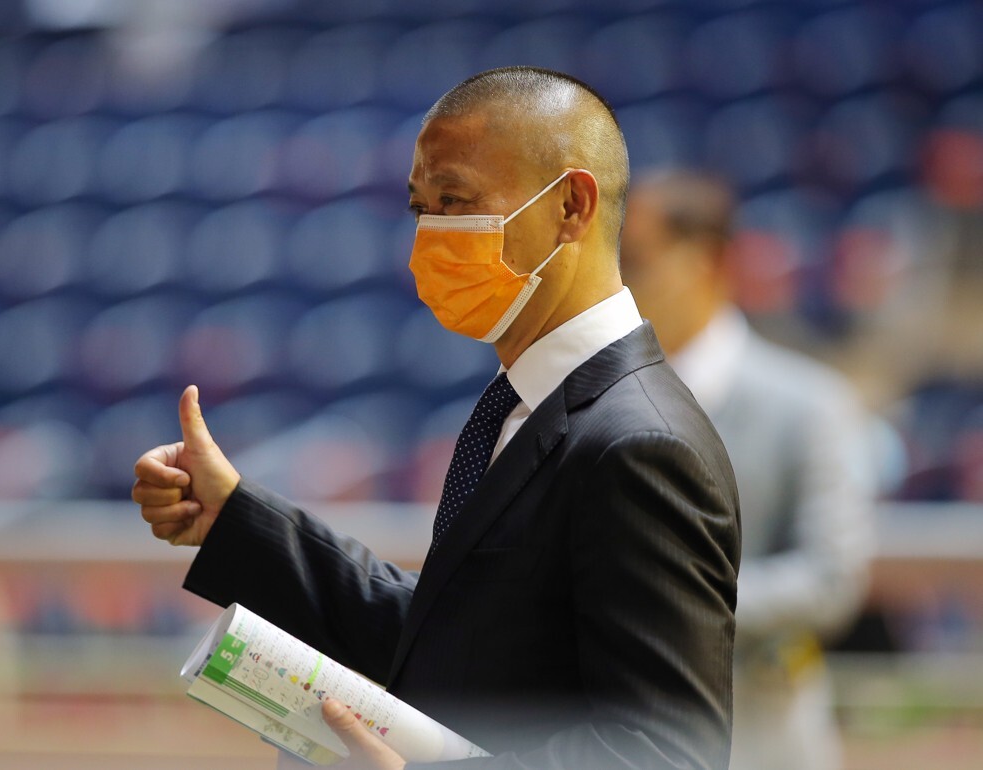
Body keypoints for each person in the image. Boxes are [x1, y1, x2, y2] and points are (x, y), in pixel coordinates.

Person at [133, 67, 741, 769]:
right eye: (421, 206)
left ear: (572, 205)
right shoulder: (527, 404)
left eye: (455, 199)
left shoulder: (641, 443)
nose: (430, 235)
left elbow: (664, 756)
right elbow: (455, 643)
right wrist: (234, 519)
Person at [621, 170, 876, 770]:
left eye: (636, 258)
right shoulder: (588, 399)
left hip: (763, 740)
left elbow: (831, 577)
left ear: (705, 260)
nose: (619, 280)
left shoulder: (811, 403)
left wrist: (675, 604)